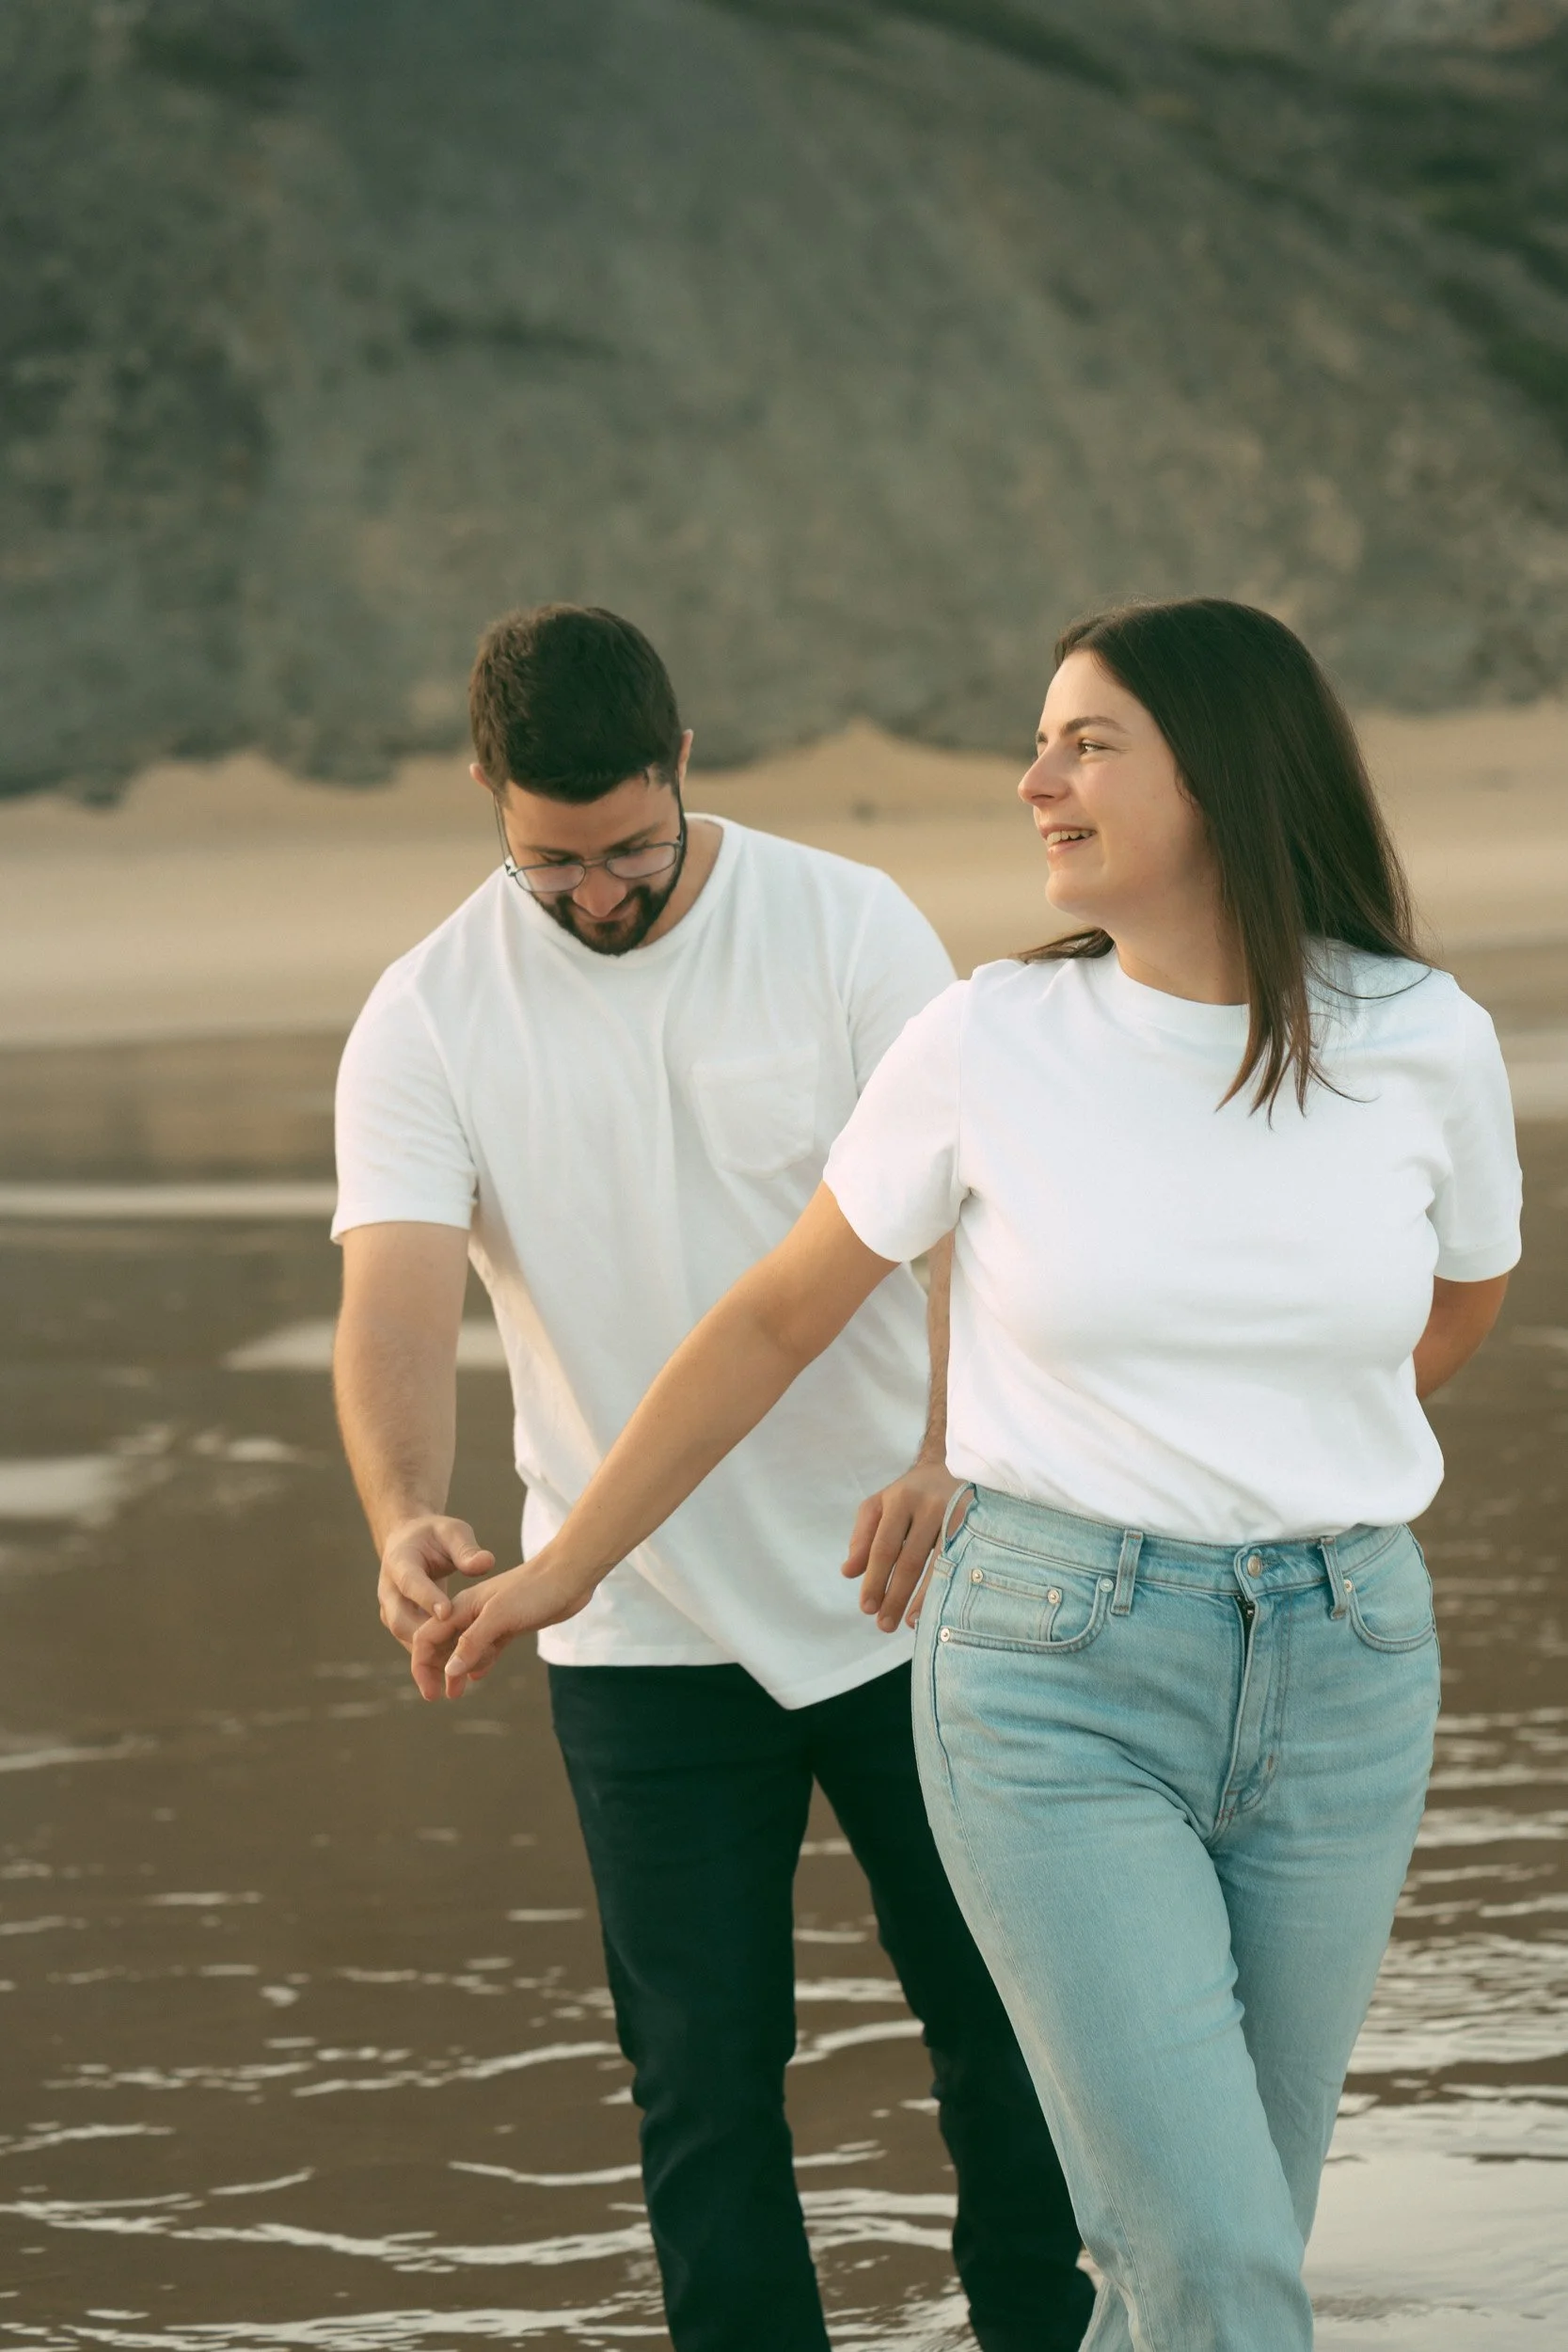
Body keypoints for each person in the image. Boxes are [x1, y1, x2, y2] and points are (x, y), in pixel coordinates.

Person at [413, 598, 1523, 2352]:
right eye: (1039, 741)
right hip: (1052, 1665)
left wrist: (1263, 1440)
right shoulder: (991, 1041)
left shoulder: (1421, 1038)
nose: (1032, 782)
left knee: (1226, 2230)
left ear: (1224, 773)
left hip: (1347, 1664)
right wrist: (564, 1566)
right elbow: (775, 1321)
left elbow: (1456, 1299)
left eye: (1084, 743)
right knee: (1211, 2257)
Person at [333, 604, 1091, 2352]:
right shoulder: (428, 1012)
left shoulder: (842, 925)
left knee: (999, 2036)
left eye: (630, 850)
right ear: (485, 800)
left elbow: (979, 1228)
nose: (599, 894)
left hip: (912, 1586)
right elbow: (391, 1297)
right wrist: (404, 1515)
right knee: (700, 2083)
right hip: (634, 1624)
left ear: (684, 764)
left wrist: (941, 1452)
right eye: (552, 864)